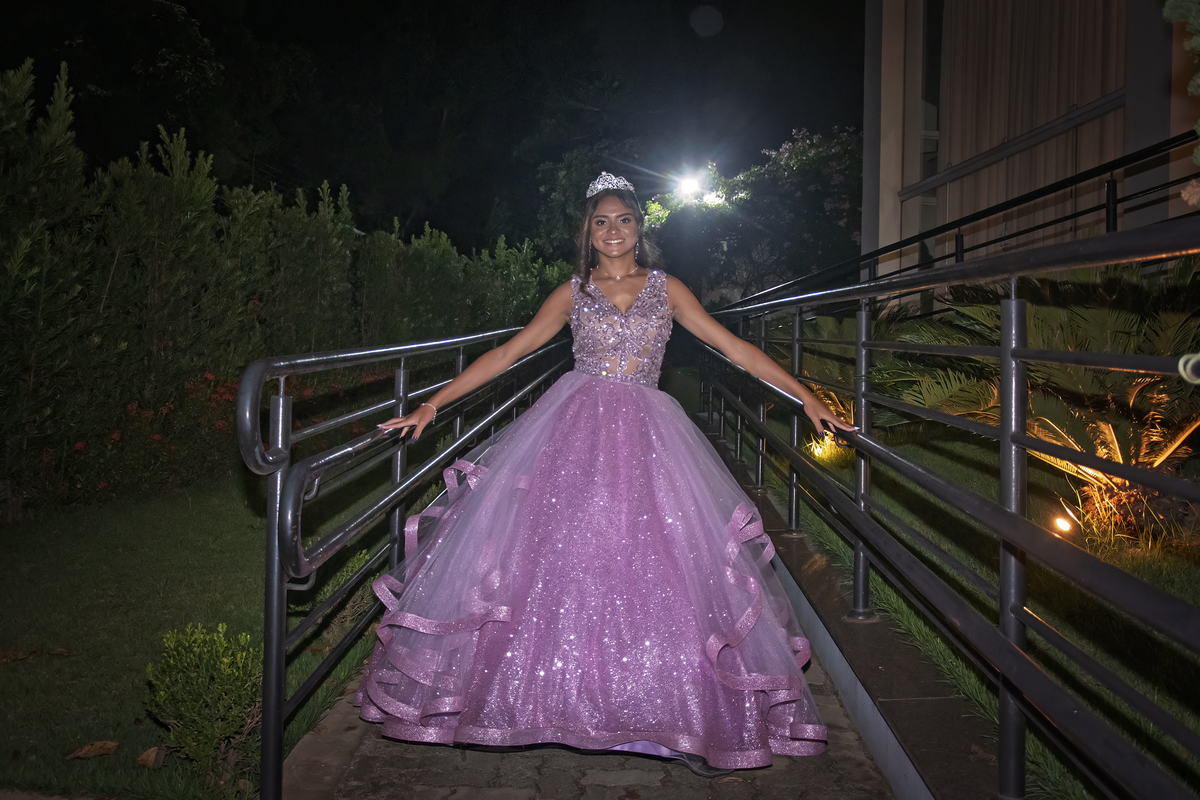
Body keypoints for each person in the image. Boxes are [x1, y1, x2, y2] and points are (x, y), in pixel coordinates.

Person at [356, 171, 857, 776]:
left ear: (638, 228)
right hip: (574, 433)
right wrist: (432, 405)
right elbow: (508, 353)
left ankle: (655, 708)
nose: (613, 230)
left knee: (653, 561)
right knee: (564, 560)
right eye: (601, 221)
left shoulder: (668, 289)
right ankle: (558, 698)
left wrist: (806, 397)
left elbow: (735, 347)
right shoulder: (572, 293)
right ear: (587, 233)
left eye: (623, 219)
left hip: (649, 436)